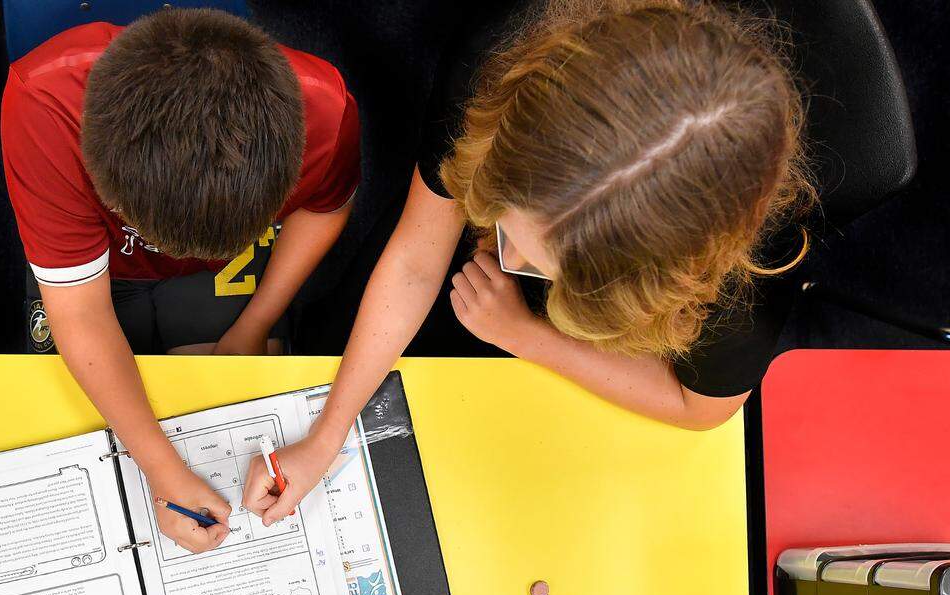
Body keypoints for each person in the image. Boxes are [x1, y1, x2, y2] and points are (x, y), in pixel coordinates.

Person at [241, 0, 814, 525]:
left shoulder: (759, 252)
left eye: (543, 267)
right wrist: (325, 437)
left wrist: (525, 335)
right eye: (506, 225)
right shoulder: (506, 62)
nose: (506, 258)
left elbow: (701, 407)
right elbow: (418, 258)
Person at [0, 9, 360, 553]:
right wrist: (162, 471)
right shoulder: (44, 103)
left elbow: (327, 207)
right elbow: (79, 314)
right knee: (70, 431)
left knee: (223, 397)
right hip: (91, 264)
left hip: (223, 251)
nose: (167, 256)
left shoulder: (325, 109)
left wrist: (252, 323)